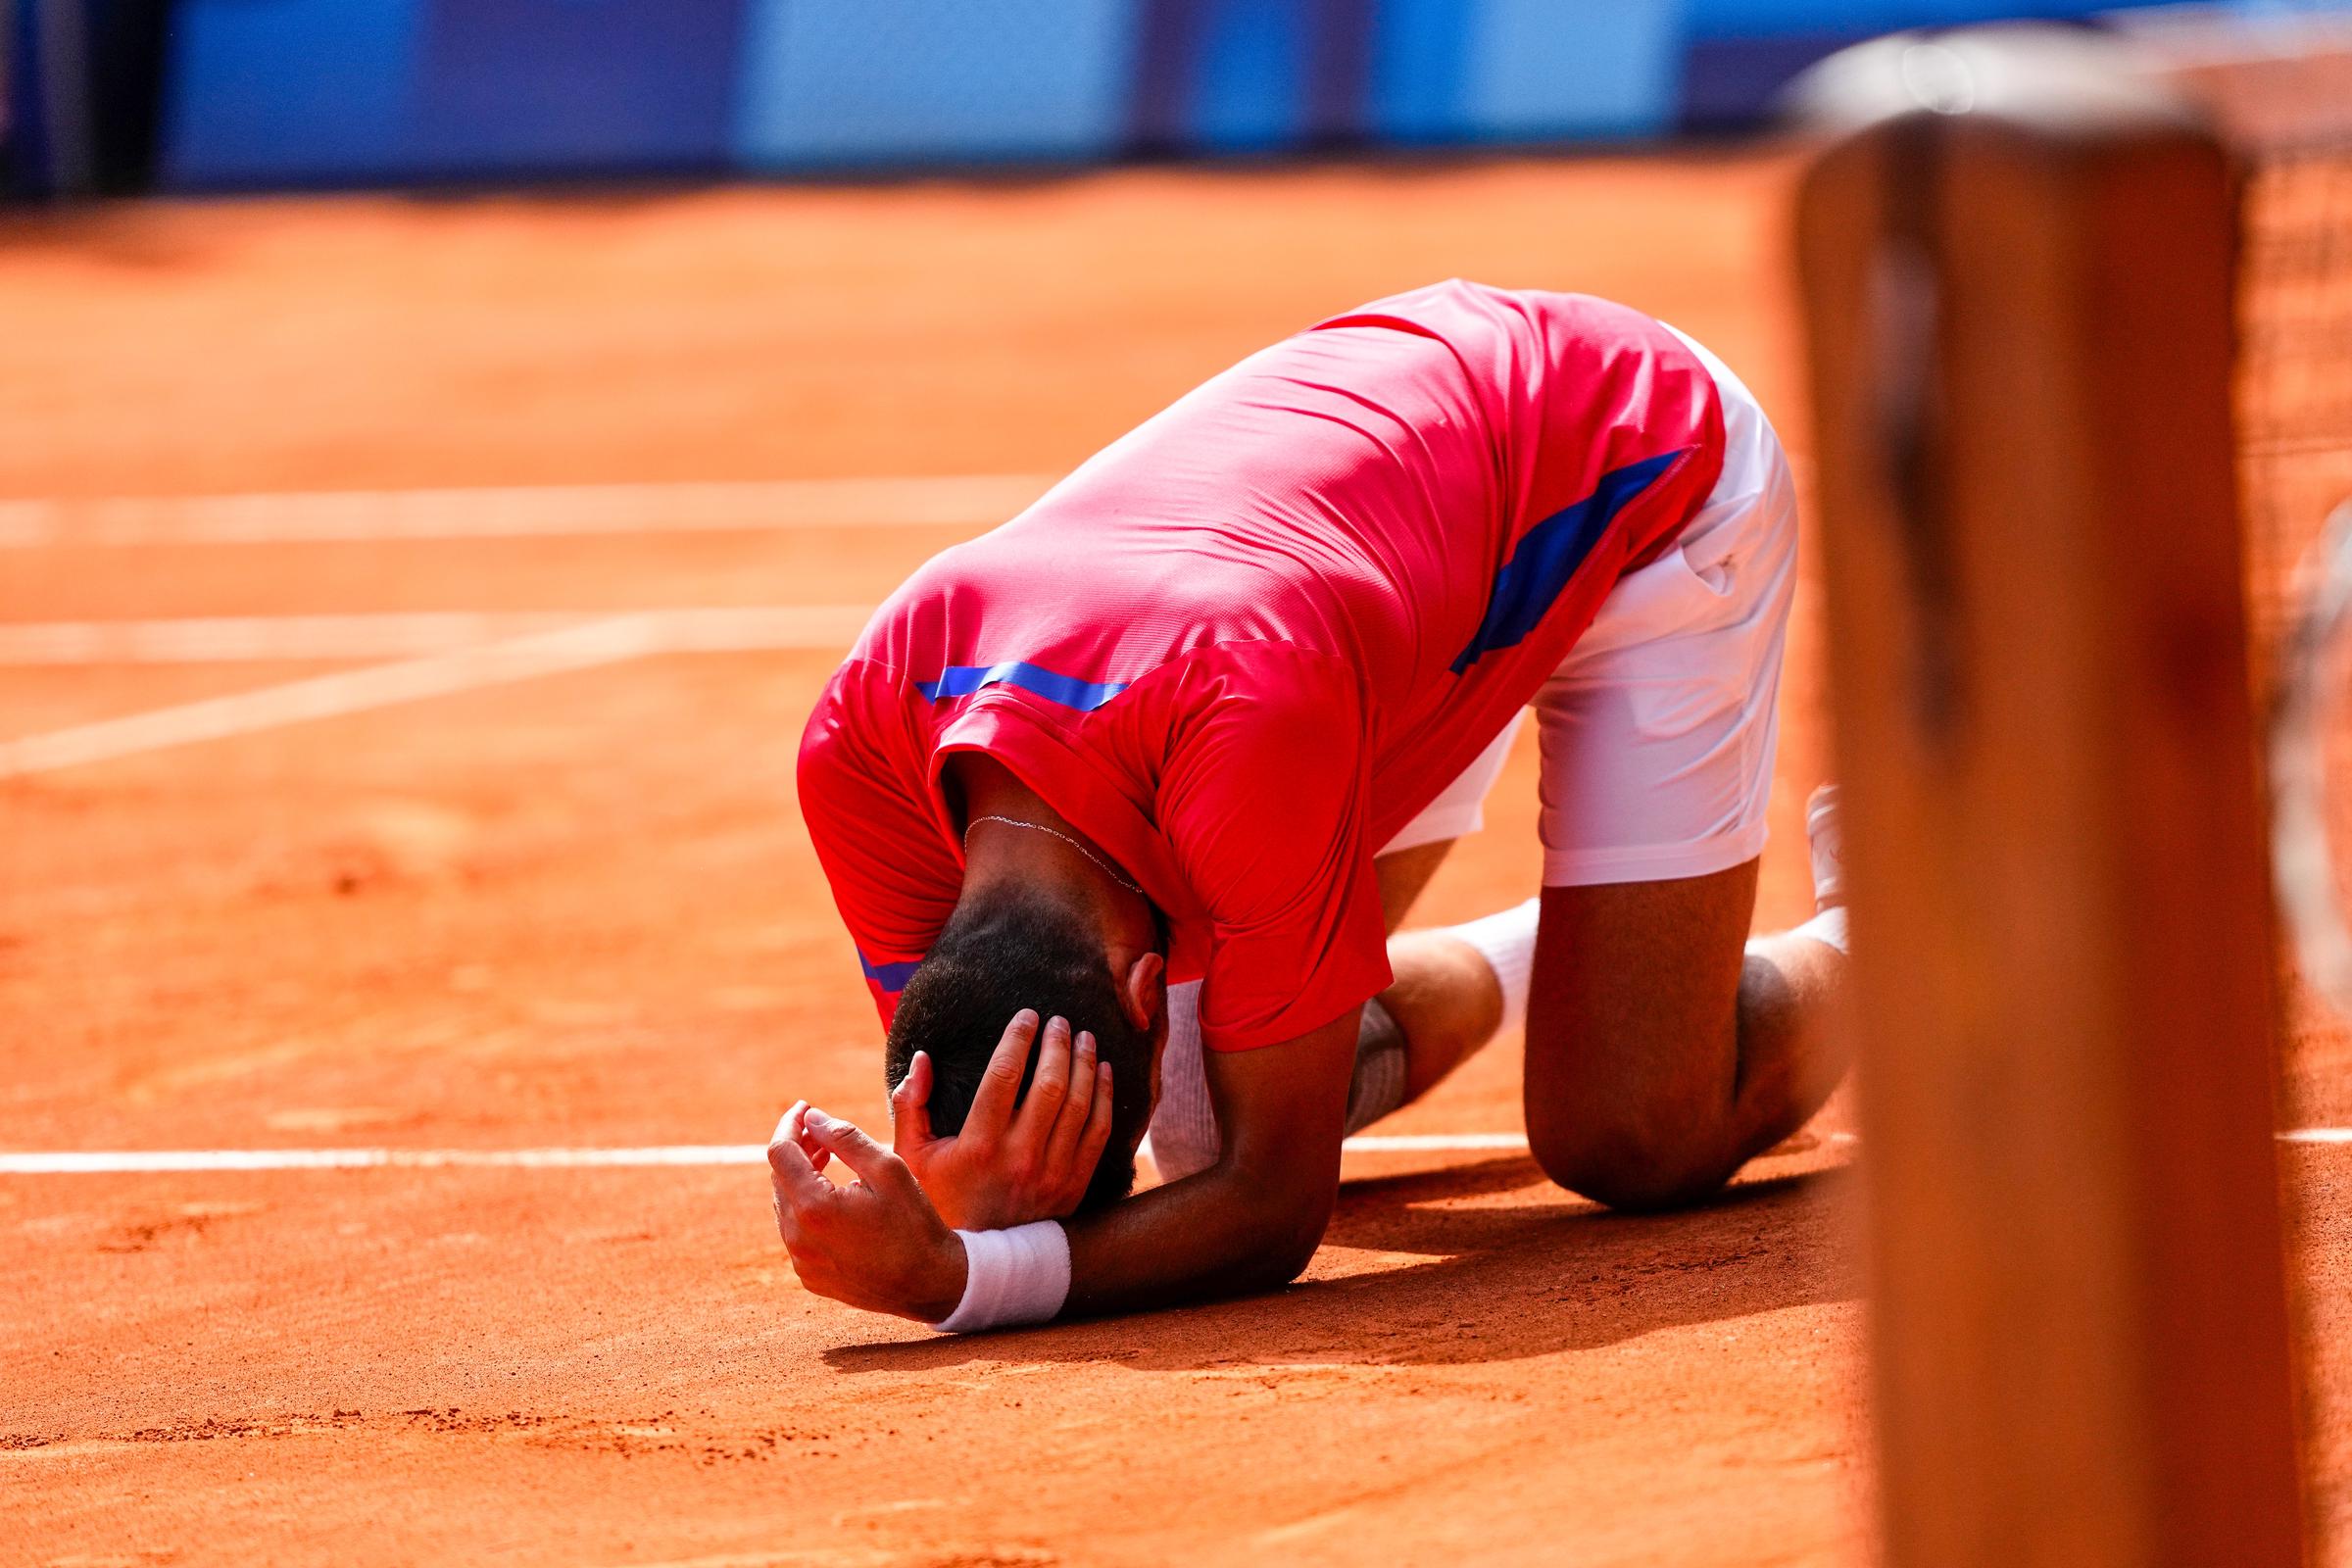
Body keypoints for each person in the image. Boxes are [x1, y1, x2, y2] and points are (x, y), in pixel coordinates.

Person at [771, 279, 1849, 1332]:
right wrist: (971, 1203)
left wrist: (963, 1278)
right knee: (1198, 1128)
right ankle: (1565, 951)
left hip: (1633, 455)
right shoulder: (855, 762)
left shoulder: (1248, 737)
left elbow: (1273, 1206)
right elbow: (984, 1095)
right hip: (1376, 564)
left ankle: (1906, 905)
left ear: (1153, 990)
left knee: (1634, 1136)